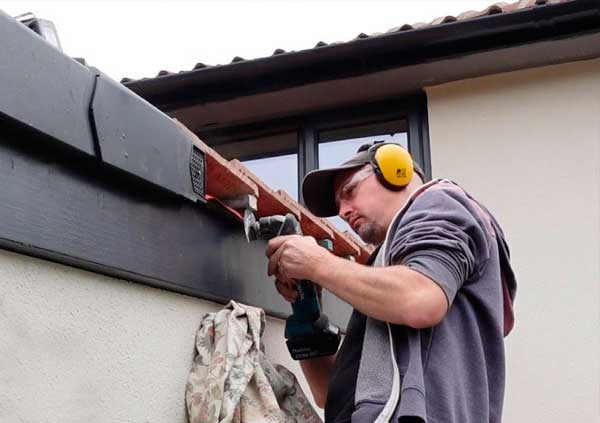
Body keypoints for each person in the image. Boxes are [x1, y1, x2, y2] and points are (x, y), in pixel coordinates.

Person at [265, 141, 517, 423]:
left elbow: (421, 300)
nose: (344, 211)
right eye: (338, 205)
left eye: (349, 192)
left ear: (396, 170)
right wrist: (308, 321)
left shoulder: (439, 203)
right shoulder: (386, 269)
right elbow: (328, 394)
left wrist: (317, 264)